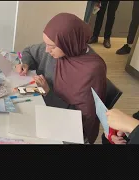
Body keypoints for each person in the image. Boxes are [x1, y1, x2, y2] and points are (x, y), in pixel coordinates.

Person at [16, 13, 107, 144]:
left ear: (68, 42)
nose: (47, 50)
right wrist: (25, 63)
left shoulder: (92, 70)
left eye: (51, 46)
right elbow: (29, 51)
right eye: (46, 44)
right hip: (45, 106)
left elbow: (81, 119)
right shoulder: (60, 48)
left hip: (70, 128)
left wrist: (48, 93)